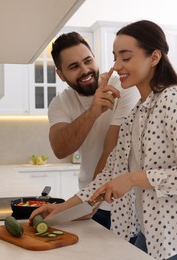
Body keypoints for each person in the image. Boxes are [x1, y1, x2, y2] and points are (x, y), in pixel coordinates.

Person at [31, 20, 177, 260]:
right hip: (154, 237)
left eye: (126, 58)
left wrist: (133, 178)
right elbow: (112, 171)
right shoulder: (138, 111)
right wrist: (63, 208)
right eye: (115, 57)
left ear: (154, 57)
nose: (116, 66)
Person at [47, 32, 140, 229]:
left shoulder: (124, 88)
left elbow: (111, 152)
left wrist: (86, 204)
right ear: (61, 74)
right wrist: (93, 112)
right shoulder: (60, 103)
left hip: (123, 205)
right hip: (90, 202)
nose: (85, 70)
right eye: (74, 67)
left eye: (88, 61)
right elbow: (60, 149)